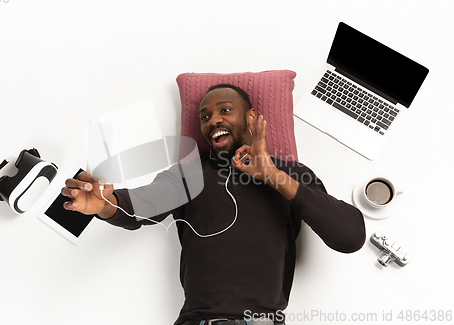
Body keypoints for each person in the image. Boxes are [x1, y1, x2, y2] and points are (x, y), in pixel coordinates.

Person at [61, 84, 366, 325]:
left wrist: (272, 175)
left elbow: (349, 236)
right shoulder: (188, 173)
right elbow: (137, 206)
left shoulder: (292, 174)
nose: (213, 120)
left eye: (225, 110)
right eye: (205, 117)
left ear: (250, 117)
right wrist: (103, 204)